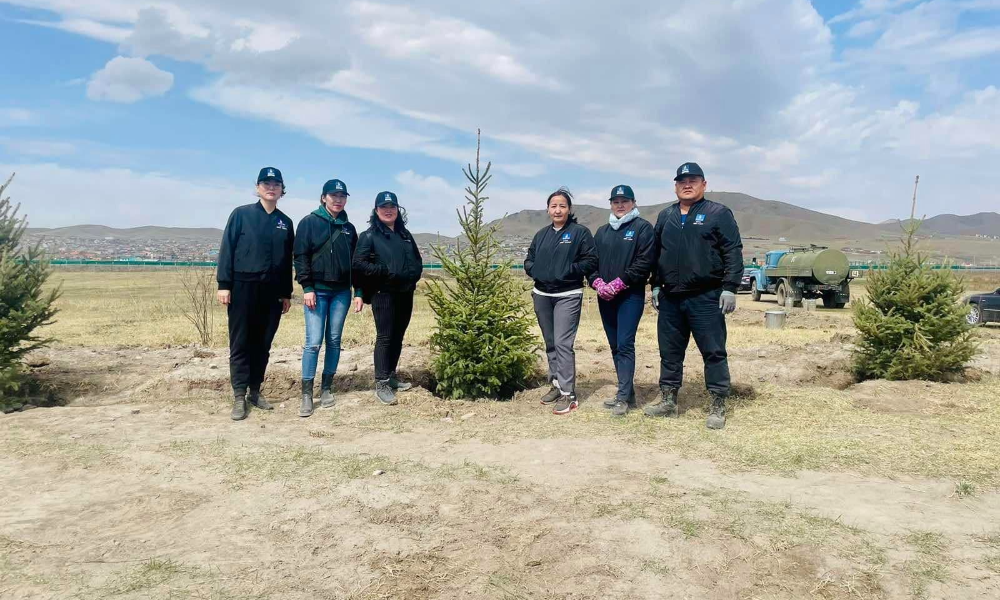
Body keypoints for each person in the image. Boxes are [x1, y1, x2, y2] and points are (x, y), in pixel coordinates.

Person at [645, 162, 744, 429]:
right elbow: (657, 254)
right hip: (670, 298)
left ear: (704, 184)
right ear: (675, 185)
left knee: (713, 352)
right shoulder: (666, 216)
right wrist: (655, 284)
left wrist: (730, 287)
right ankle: (668, 400)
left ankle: (717, 404)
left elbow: (732, 251)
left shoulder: (718, 213)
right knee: (670, 352)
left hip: (706, 297)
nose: (687, 184)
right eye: (681, 181)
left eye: (693, 180)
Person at [217, 167, 294, 421]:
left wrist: (286, 293)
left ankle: (255, 390)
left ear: (282, 189)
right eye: (266, 183)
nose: (271, 188)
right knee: (241, 342)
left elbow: (286, 262)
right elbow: (227, 249)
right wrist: (224, 284)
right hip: (242, 287)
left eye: (276, 184)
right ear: (258, 187)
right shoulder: (241, 215)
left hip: (272, 292)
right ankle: (239, 395)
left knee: (263, 344)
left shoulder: (285, 222)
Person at [293, 179, 364, 418]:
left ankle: (326, 388)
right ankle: (306, 393)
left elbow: (356, 265)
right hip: (317, 291)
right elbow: (300, 257)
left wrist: (359, 292)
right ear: (323, 197)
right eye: (333, 195)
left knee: (334, 340)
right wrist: (307, 287)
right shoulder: (309, 223)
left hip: (342, 293)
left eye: (342, 196)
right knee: (313, 342)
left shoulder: (349, 228)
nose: (338, 199)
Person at [524, 187, 598, 415]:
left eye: (562, 206)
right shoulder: (542, 235)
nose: (558, 210)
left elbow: (590, 260)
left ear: (569, 209)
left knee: (564, 344)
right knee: (551, 343)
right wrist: (536, 271)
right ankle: (556, 384)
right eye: (554, 206)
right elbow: (529, 259)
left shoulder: (579, 233)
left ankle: (569, 394)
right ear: (548, 209)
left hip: (568, 294)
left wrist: (568, 271)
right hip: (543, 295)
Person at [589, 185, 655, 417]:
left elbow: (644, 262)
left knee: (625, 344)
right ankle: (627, 393)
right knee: (615, 345)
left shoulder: (643, 229)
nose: (620, 205)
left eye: (624, 201)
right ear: (611, 204)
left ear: (633, 203)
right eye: (616, 201)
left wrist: (619, 283)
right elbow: (591, 262)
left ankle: (623, 397)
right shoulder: (602, 232)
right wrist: (597, 282)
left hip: (629, 296)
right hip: (605, 297)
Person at [352, 191, 423, 406]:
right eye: (383, 207)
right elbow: (358, 264)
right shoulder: (370, 235)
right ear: (376, 211)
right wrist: (384, 272)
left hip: (405, 293)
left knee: (398, 335)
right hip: (383, 293)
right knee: (385, 337)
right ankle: (381, 382)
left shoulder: (405, 234)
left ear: (398, 210)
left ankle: (391, 376)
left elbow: (417, 260)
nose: (388, 210)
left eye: (392, 206)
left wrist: (414, 276)